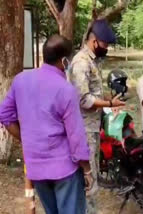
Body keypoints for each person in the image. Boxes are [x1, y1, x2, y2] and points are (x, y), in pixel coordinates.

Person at [0, 34, 93, 214]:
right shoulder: (65, 89)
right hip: (65, 170)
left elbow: (4, 114)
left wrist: (25, 138)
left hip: (36, 168)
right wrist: (87, 170)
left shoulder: (21, 80)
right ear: (65, 60)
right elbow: (76, 137)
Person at [69, 19, 125, 214]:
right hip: (83, 129)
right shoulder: (81, 63)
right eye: (105, 44)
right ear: (94, 41)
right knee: (88, 178)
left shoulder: (92, 61)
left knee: (90, 175)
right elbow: (83, 100)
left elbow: (93, 94)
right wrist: (109, 104)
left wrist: (108, 99)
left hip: (91, 128)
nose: (106, 48)